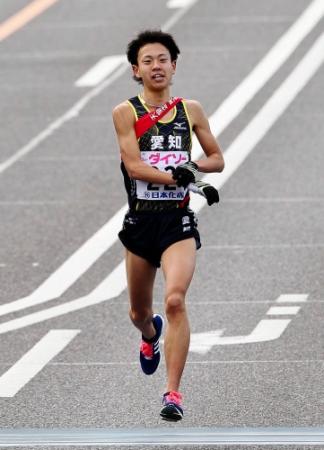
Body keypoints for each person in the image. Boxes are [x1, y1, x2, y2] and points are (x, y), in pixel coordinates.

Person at [112, 29, 224, 422]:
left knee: (175, 299)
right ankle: (149, 336)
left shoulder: (190, 110)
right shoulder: (126, 112)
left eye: (163, 59)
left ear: (174, 66)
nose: (156, 66)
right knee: (138, 312)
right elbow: (135, 166)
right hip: (141, 222)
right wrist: (184, 178)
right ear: (135, 71)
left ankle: (172, 393)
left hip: (176, 222)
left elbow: (216, 158)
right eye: (148, 61)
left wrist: (193, 169)